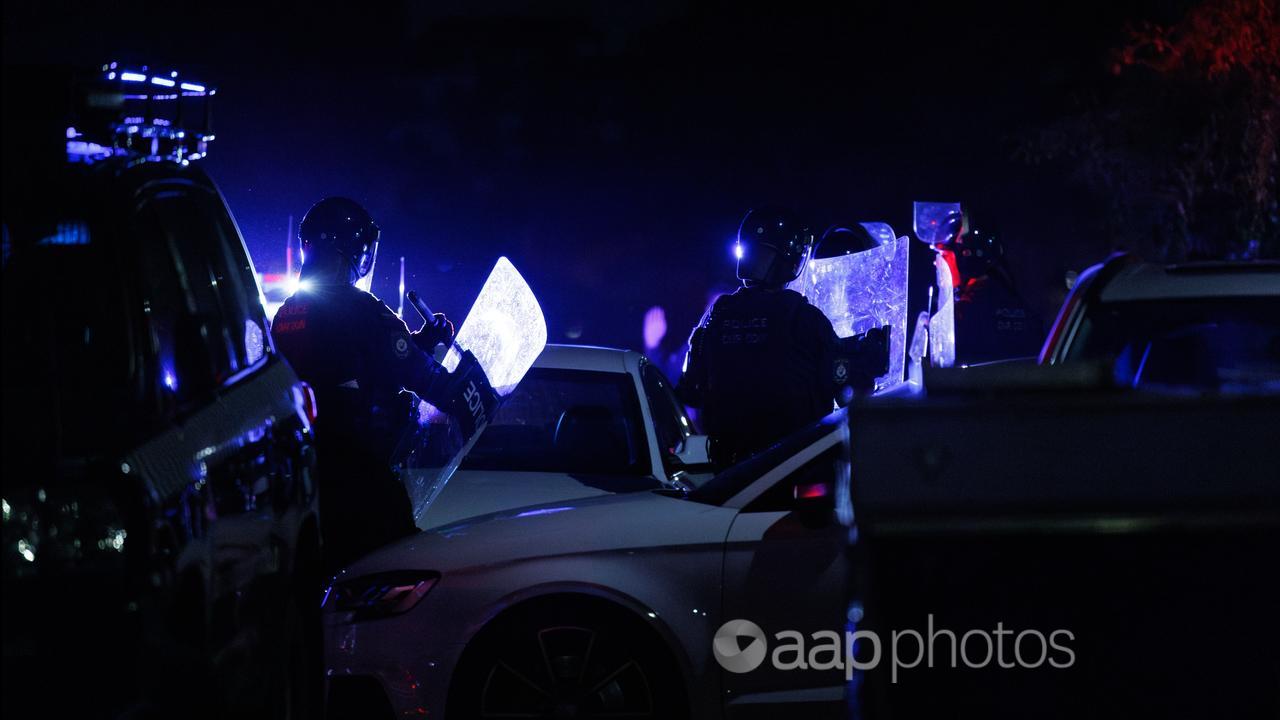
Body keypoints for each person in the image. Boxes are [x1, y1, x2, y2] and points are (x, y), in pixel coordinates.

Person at [272, 197, 491, 572]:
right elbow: (424, 379)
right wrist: (468, 384)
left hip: (309, 478)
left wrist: (420, 341)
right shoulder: (362, 310)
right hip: (362, 478)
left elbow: (352, 362)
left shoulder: (288, 313)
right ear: (352, 250)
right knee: (400, 572)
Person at [676, 206, 846, 465]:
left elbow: (690, 392)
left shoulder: (717, 316)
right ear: (793, 260)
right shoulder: (806, 319)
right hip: (794, 468)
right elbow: (844, 390)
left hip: (729, 472)